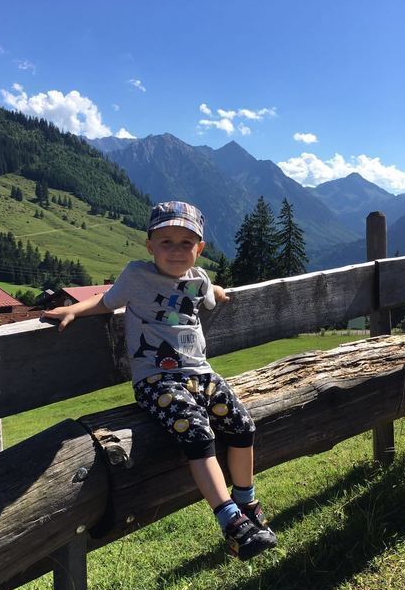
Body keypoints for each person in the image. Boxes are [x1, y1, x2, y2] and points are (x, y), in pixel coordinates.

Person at [42, 201, 276, 560]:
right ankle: (230, 521)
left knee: (242, 425)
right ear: (149, 245)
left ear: (199, 249)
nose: (176, 250)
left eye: (186, 243)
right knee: (198, 433)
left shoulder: (199, 278)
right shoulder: (137, 276)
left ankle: (247, 503)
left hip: (201, 372)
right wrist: (73, 308)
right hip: (157, 381)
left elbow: (207, 293)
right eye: (166, 241)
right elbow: (107, 302)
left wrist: (218, 291)